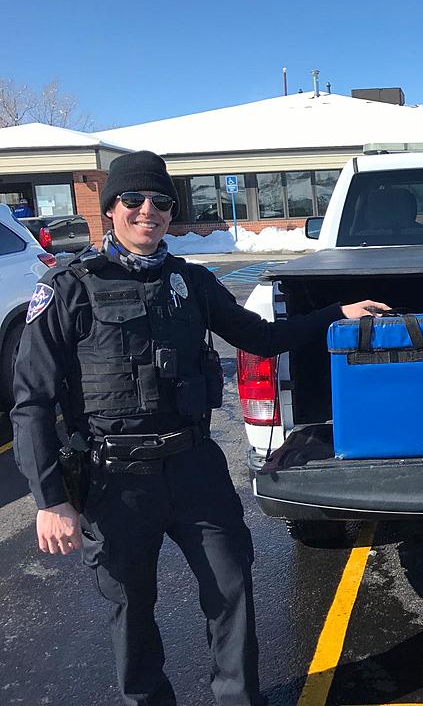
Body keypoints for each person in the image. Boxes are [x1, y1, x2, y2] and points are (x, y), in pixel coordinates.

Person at [11, 150, 389, 706]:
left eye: (160, 202)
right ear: (110, 209)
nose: (148, 211)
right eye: (134, 200)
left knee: (231, 588)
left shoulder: (190, 282)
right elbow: (33, 401)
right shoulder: (70, 288)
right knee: (130, 605)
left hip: (195, 468)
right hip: (116, 479)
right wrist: (50, 499)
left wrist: (335, 314)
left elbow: (259, 337)